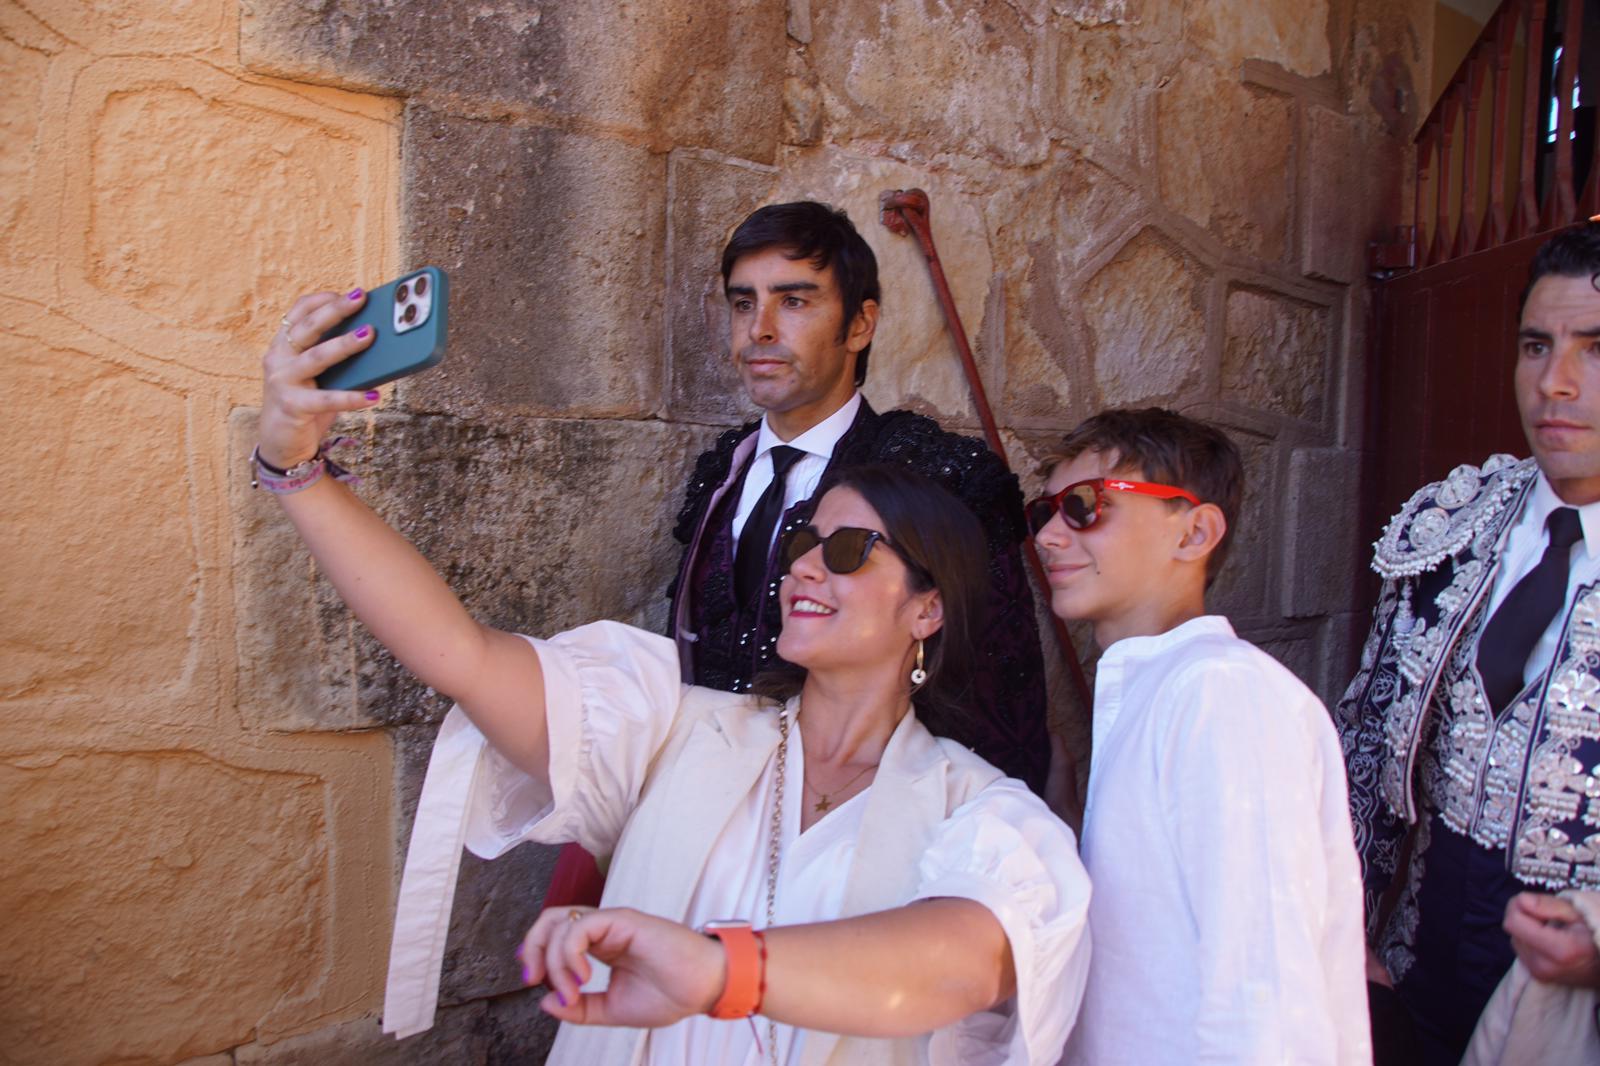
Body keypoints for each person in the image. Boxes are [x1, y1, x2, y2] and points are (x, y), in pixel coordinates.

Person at [249, 289, 1091, 1064]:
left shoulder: (979, 809)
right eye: (802, 544)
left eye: (845, 552)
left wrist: (718, 969)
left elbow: (970, 962)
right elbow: (459, 656)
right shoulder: (668, 726)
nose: (803, 569)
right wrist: (295, 470)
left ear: (927, 610)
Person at [668, 200, 1049, 792]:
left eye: (794, 301)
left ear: (861, 325)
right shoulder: (723, 469)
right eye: (744, 303)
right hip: (707, 801)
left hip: (870, 816)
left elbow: (1001, 700)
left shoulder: (941, 477)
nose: (759, 329)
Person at [1336, 220, 1600, 1065]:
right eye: (1535, 345)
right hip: (1417, 961)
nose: (1554, 384)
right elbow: (1367, 750)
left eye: (1596, 350)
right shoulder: (1450, 521)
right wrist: (1338, 930)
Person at [1033, 408, 1370, 1065]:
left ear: (1194, 533)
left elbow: (1264, 989)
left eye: (1083, 507)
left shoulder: (1221, 694)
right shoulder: (1164, 690)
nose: (1048, 536)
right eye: (1042, 512)